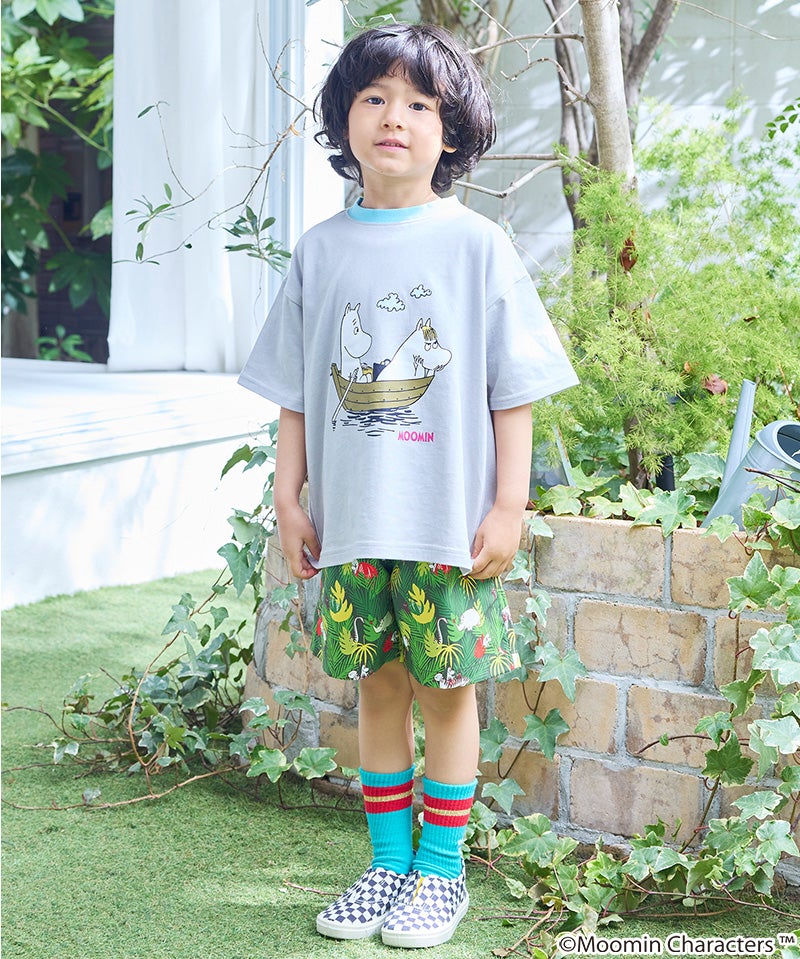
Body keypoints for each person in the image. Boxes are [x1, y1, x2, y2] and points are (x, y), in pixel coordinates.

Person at [238, 22, 578, 950]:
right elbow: (297, 393)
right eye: (375, 98)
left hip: (446, 527)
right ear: (344, 120)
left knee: (446, 692)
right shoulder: (319, 252)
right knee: (378, 687)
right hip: (350, 525)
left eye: (420, 103)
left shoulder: (476, 246)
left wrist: (508, 505)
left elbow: (514, 390)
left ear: (450, 132)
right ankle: (387, 863)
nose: (396, 117)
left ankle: (440, 872)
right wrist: (289, 498)